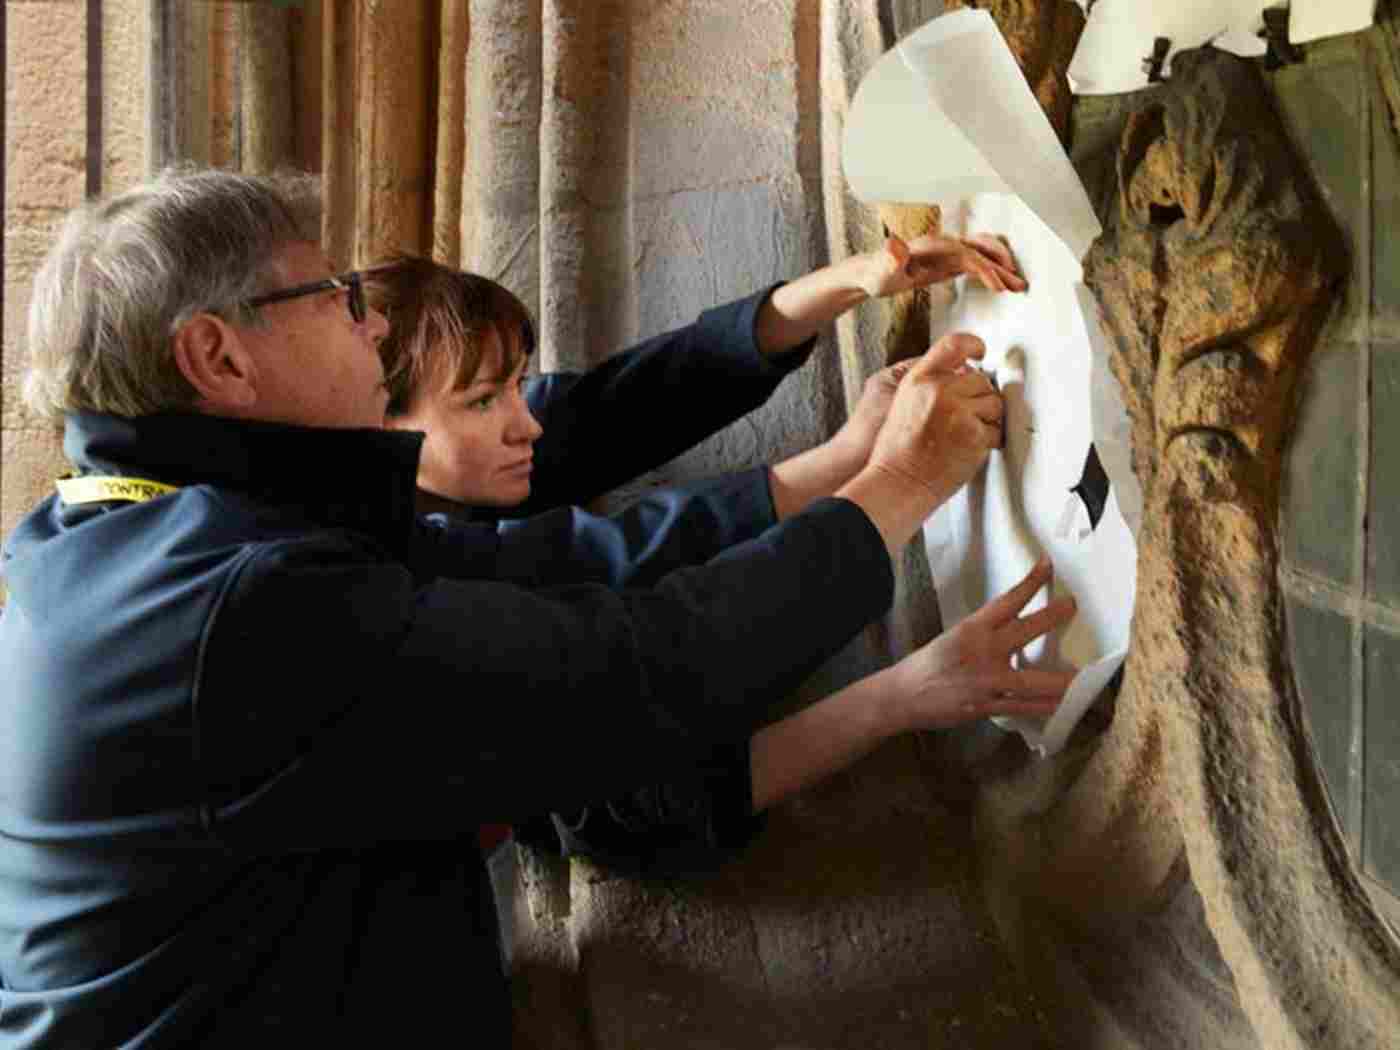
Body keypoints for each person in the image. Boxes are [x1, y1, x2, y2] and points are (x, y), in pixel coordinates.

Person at [0, 167, 1071, 1048]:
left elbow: (562, 554)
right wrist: (896, 485)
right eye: (334, 296)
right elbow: (621, 675)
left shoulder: (166, 535)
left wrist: (847, 465)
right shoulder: (223, 606)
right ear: (217, 355)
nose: (367, 323)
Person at [360, 251, 1054, 892]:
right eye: (485, 400)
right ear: (382, 429)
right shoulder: (403, 602)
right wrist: (899, 692)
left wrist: (852, 280)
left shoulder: (450, 458)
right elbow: (638, 630)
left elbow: (618, 408)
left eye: (514, 386)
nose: (526, 424)